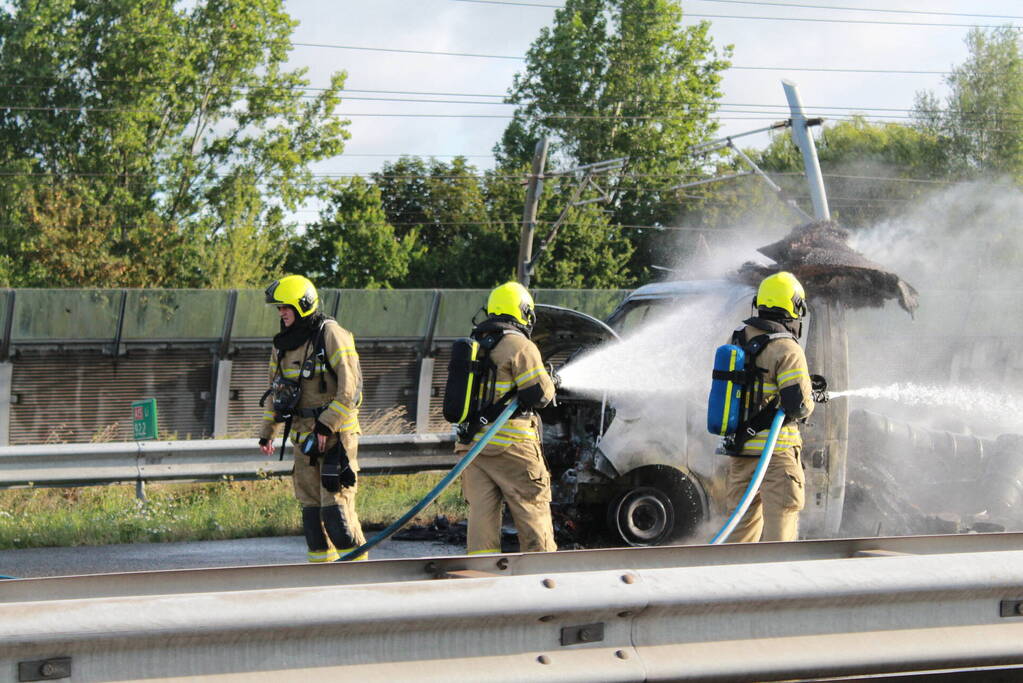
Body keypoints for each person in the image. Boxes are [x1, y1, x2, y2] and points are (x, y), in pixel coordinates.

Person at [257, 275, 367, 562]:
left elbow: (350, 389)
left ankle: (361, 580)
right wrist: (267, 431)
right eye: (279, 308)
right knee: (312, 518)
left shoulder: (330, 334)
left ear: (303, 305)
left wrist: (326, 424)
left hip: (335, 436)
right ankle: (322, 585)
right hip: (302, 437)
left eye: (285, 307)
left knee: (336, 512)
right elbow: (276, 392)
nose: (281, 313)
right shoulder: (282, 344)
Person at [457, 281, 558, 555]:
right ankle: (543, 574)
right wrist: (552, 379)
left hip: (473, 447)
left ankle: (483, 577)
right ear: (523, 310)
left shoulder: (476, 342)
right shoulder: (519, 345)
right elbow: (540, 395)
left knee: (482, 519)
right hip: (512, 446)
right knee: (532, 507)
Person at [725, 271, 814, 543]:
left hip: (741, 454)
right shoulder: (787, 348)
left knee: (739, 535)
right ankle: (777, 584)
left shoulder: (737, 340)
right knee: (780, 539)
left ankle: (733, 582)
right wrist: (812, 397)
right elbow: (798, 406)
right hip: (776, 455)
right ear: (793, 306)